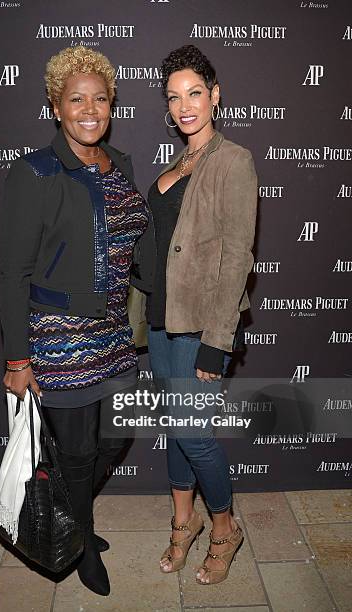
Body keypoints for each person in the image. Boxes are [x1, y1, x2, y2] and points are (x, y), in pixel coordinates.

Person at [0, 46, 148, 596]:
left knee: (116, 435)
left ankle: (73, 508)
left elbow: (137, 241)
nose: (90, 109)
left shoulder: (122, 164)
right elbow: (12, 272)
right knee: (81, 450)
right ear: (56, 106)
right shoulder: (35, 172)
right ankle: (81, 541)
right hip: (59, 337)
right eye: (76, 99)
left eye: (100, 98)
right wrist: (18, 358)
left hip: (113, 332)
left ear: (112, 104)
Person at [133, 45, 257, 585]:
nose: (185, 106)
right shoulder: (175, 163)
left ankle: (225, 528)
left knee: (193, 430)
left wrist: (218, 341)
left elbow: (237, 257)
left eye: (195, 93)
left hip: (201, 325)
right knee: (177, 428)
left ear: (215, 95)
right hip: (161, 320)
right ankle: (184, 524)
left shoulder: (234, 161)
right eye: (174, 97)